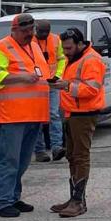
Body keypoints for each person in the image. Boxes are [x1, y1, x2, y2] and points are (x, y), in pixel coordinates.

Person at [0, 13, 51, 218]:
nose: (29, 34)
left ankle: (13, 197)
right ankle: (2, 202)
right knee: (9, 160)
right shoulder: (1, 47)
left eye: (31, 30)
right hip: (10, 116)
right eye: (25, 31)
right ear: (14, 30)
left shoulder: (34, 47)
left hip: (33, 115)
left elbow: (41, 74)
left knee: (22, 161)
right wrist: (20, 77)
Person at [50, 27, 106, 218]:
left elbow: (91, 90)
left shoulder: (91, 60)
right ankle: (75, 198)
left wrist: (67, 86)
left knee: (80, 156)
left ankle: (78, 201)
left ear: (80, 44)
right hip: (72, 112)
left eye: (68, 48)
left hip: (84, 114)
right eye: (64, 48)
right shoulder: (75, 58)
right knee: (73, 156)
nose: (65, 52)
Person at [32, 21, 66, 162]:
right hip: (36, 85)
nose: (44, 34)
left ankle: (57, 147)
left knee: (54, 115)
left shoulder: (56, 40)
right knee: (37, 117)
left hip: (52, 83)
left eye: (46, 32)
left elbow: (62, 59)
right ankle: (39, 151)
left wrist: (58, 75)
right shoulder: (30, 42)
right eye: (41, 32)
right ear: (36, 30)